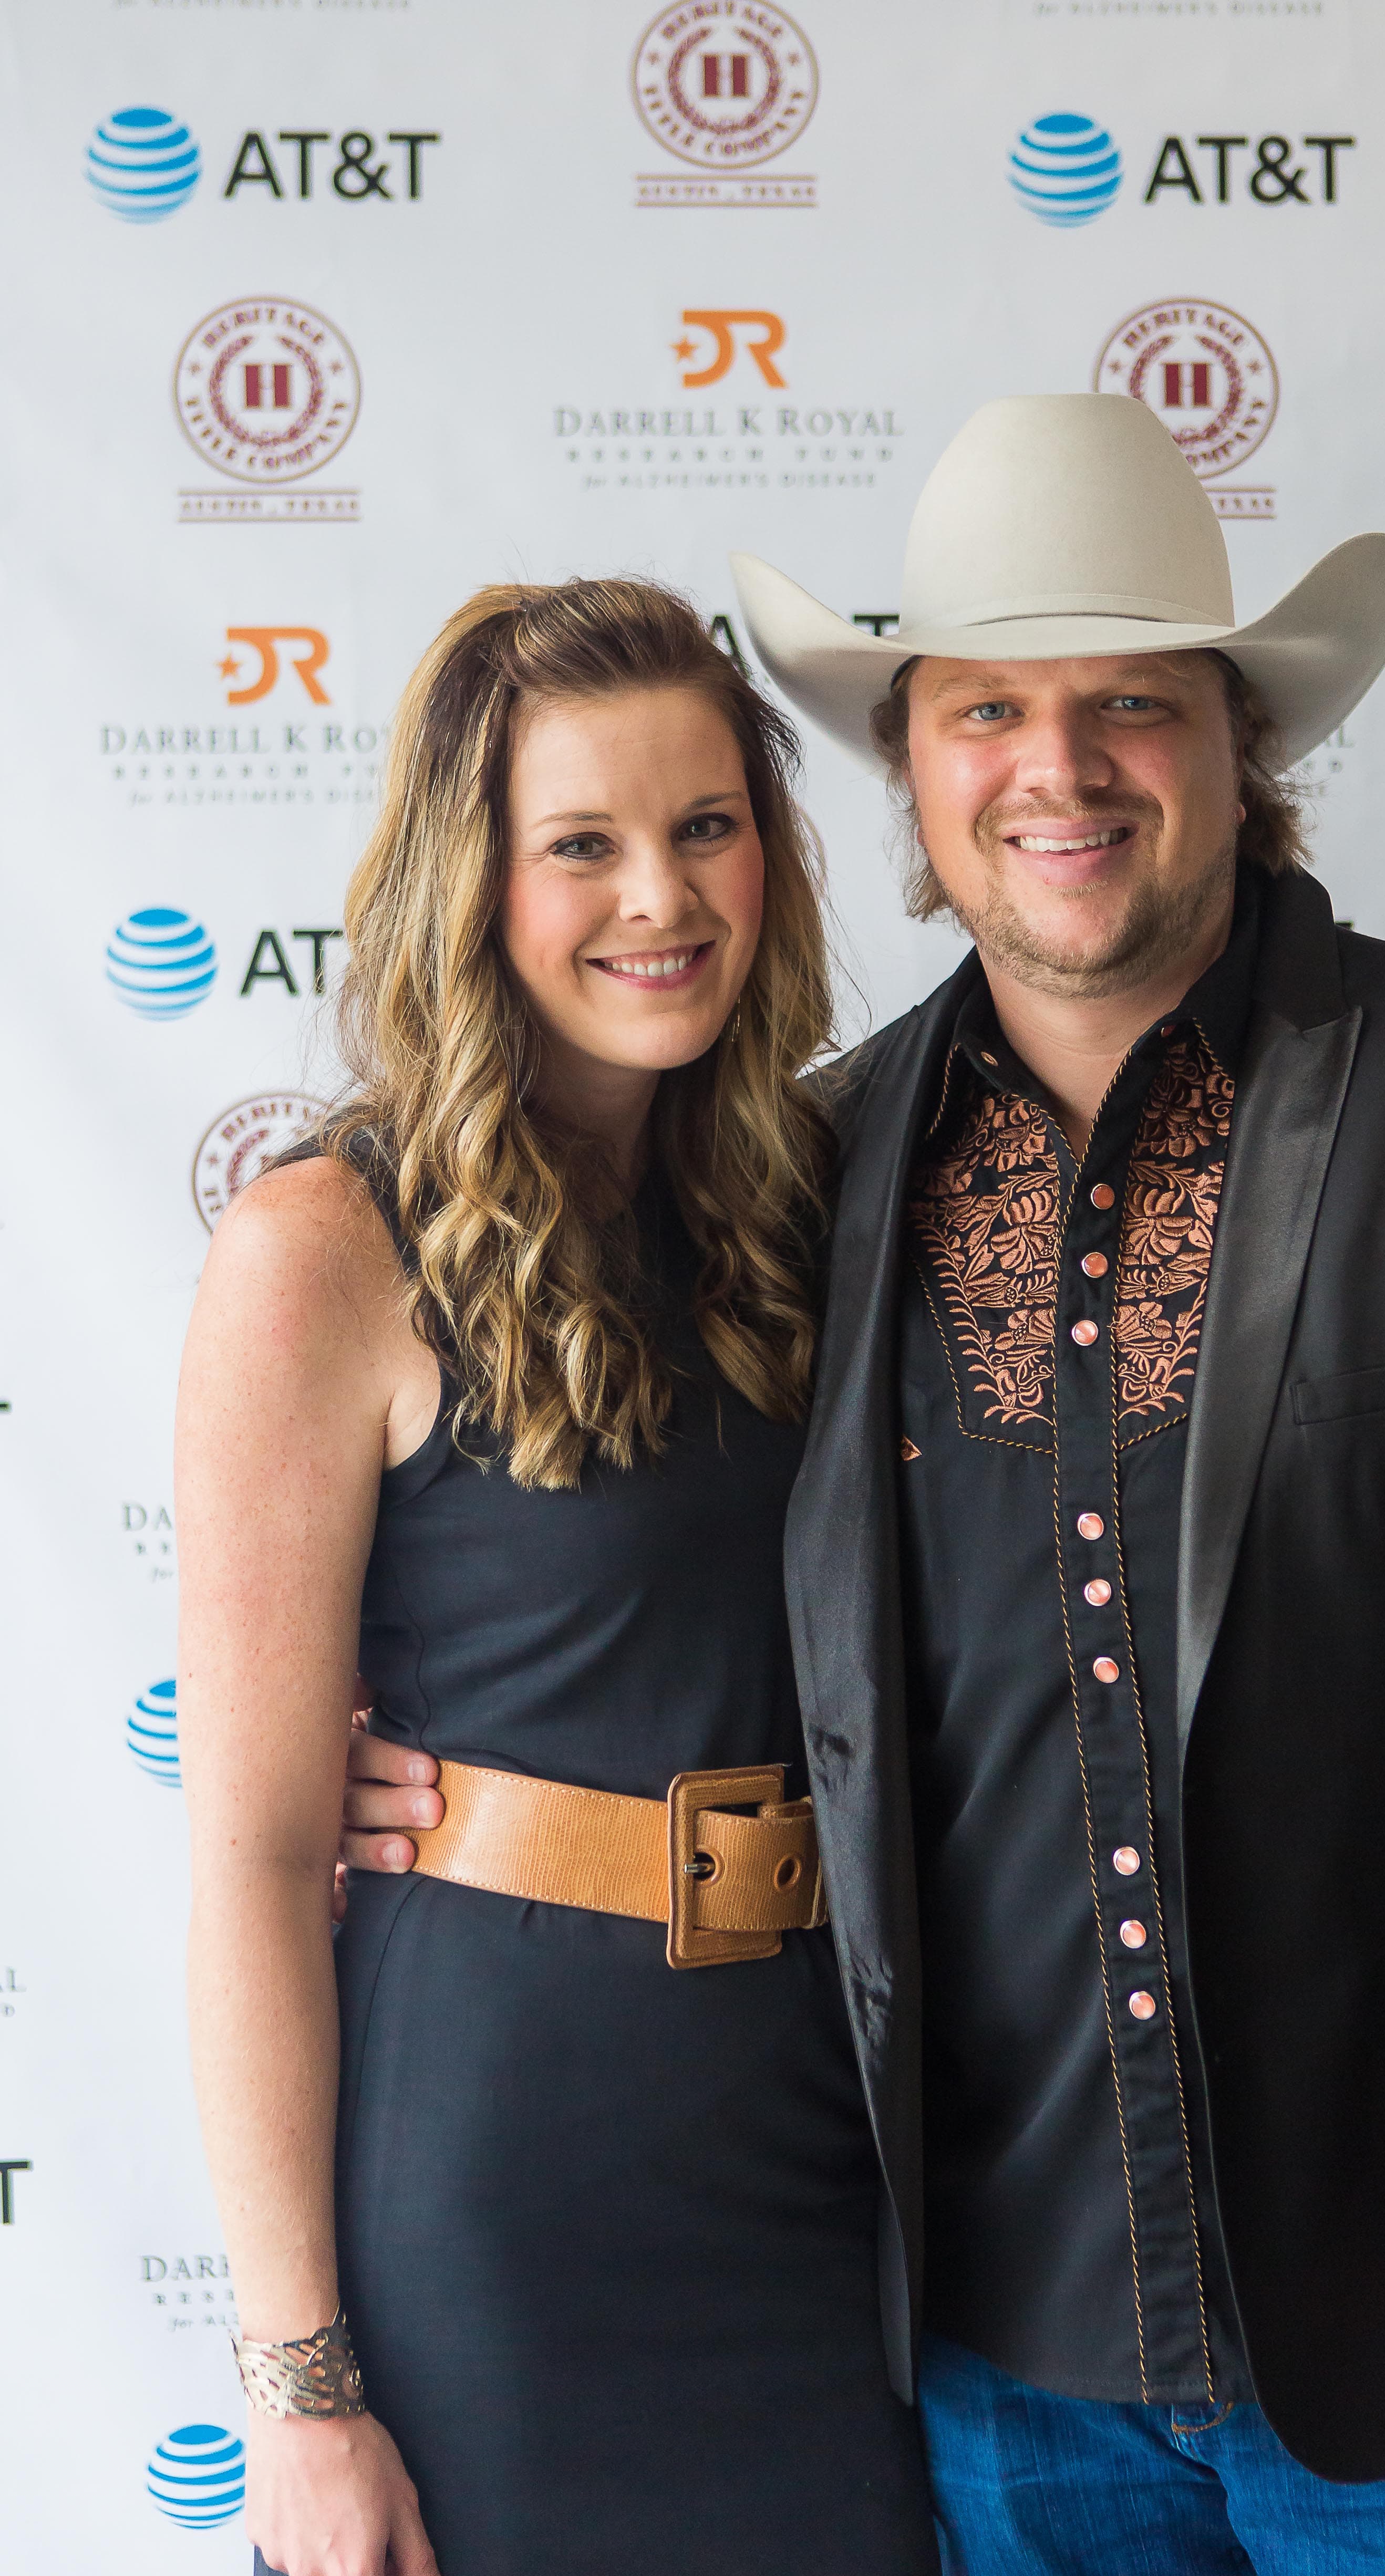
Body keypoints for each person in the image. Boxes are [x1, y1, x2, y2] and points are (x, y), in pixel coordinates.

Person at [337, 398, 1385, 2575]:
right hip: (995, 2365)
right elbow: (671, 1580)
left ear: (1240, 742)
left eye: (1131, 705)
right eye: (988, 709)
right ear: (911, 770)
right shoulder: (809, 1173)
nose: (1058, 769)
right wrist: (458, 1783)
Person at [175, 578, 938, 2576]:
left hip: (823, 2169)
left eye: (707, 826)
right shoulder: (321, 1252)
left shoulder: (829, 1201)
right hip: (499, 2191)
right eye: (580, 843)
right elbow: (255, 1861)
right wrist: (301, 2393)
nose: (660, 897)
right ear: (473, 881)